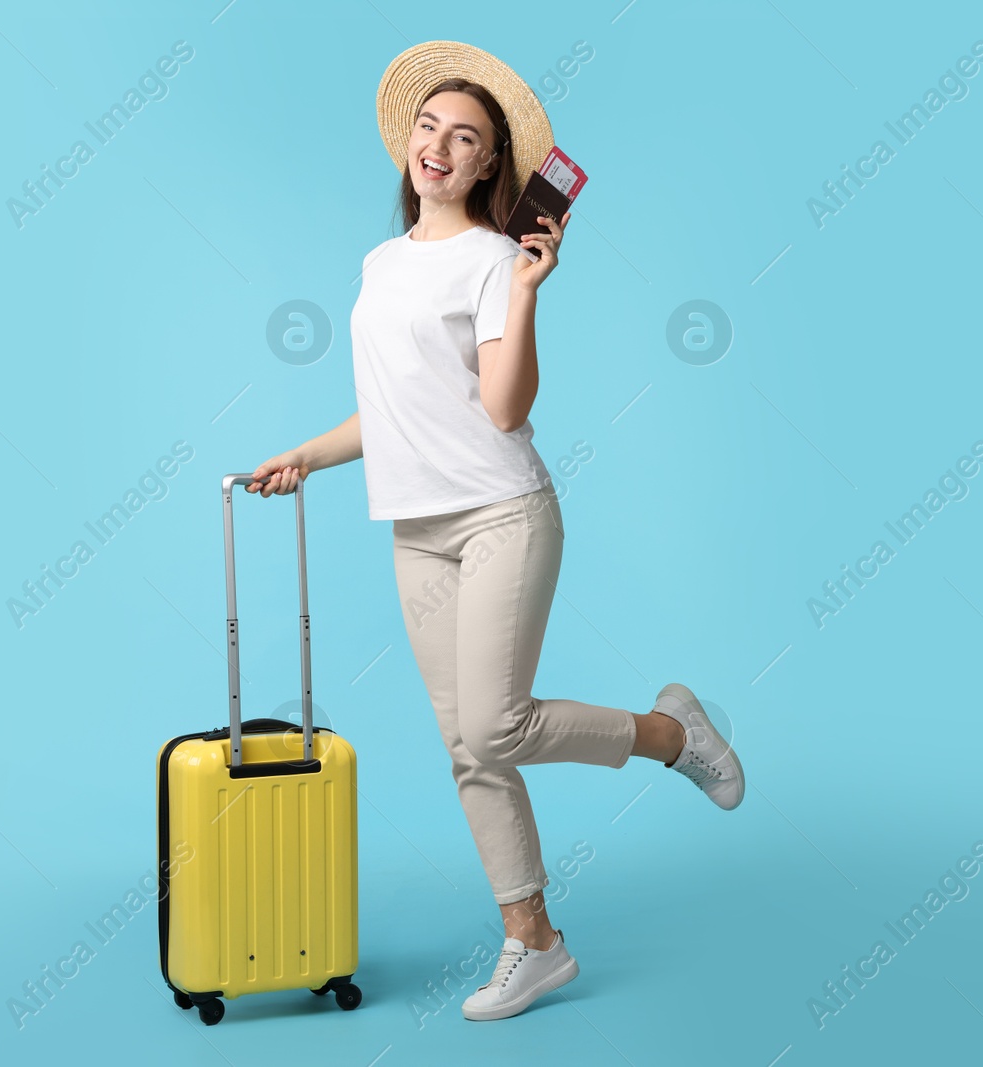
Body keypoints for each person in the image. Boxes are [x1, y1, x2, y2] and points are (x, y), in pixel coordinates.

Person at [245, 40, 746, 1023]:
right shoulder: (379, 263)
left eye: (464, 137)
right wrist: (306, 451)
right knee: (469, 747)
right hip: (415, 529)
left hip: (501, 511)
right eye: (429, 127)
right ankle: (536, 942)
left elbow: (505, 408)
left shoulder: (490, 260)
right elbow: (394, 408)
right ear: (409, 144)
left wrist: (522, 293)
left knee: (494, 723)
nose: (439, 145)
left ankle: (670, 732)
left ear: (487, 168)